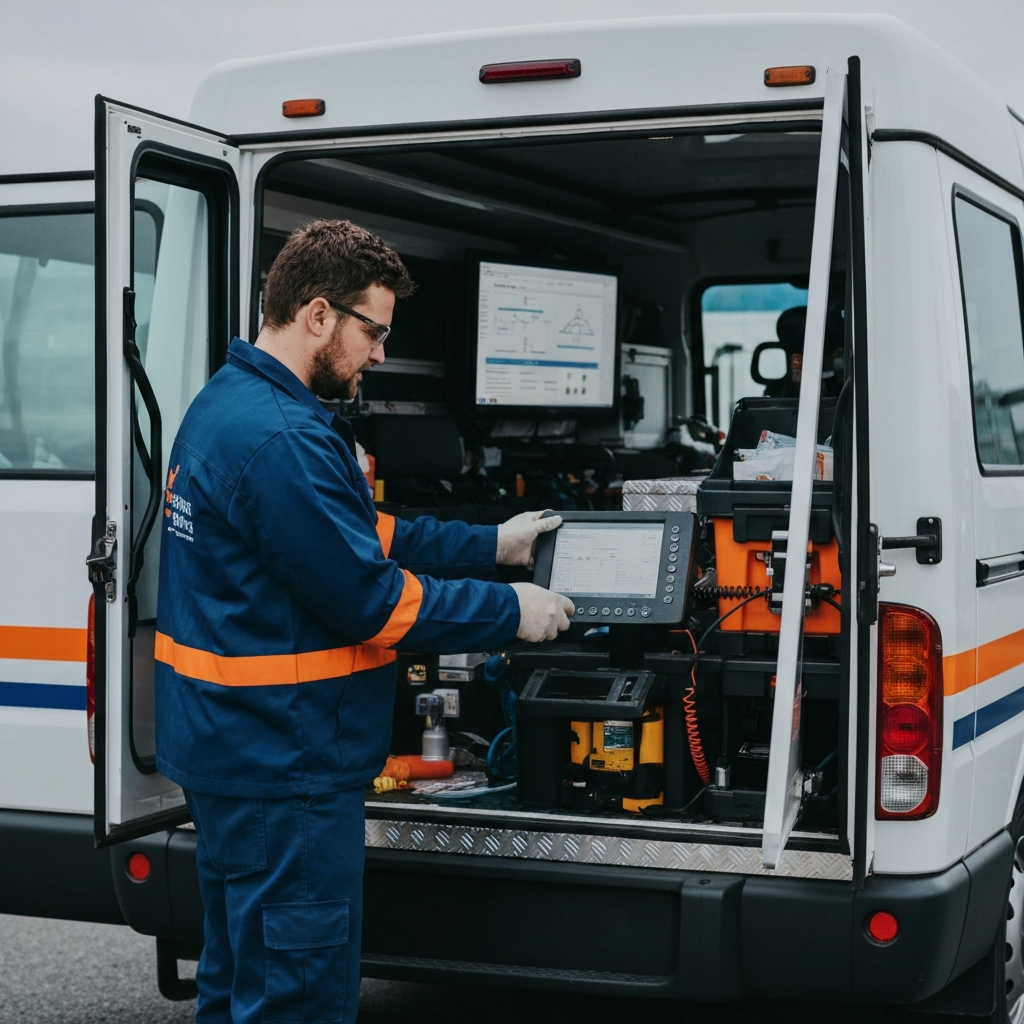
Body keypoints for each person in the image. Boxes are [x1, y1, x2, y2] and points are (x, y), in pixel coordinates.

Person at [153, 219, 574, 1024]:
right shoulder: (282, 438)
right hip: (286, 763)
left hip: (231, 750)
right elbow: (373, 600)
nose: (380, 354)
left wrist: (491, 545)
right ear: (318, 314)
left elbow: (357, 535)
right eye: (373, 332)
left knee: (238, 976)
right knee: (294, 997)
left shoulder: (231, 403)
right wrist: (511, 611)